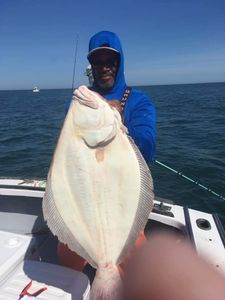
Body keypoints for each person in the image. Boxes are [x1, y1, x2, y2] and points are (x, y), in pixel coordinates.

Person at [58, 31, 156, 276]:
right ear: (90, 65)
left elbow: (147, 147)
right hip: (84, 203)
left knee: (137, 274)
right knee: (67, 267)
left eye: (110, 61)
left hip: (121, 202)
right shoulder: (82, 100)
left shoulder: (139, 101)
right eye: (97, 62)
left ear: (119, 62)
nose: (104, 67)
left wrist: (120, 124)